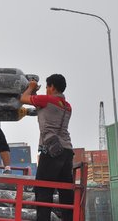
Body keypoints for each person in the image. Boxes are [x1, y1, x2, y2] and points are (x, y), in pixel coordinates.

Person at [20, 74, 74, 221]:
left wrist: (30, 88)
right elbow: (43, 106)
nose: (46, 90)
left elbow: (23, 99)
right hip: (67, 151)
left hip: (51, 151)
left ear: (52, 87)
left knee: (43, 190)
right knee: (66, 193)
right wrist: (36, 93)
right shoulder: (67, 106)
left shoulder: (47, 100)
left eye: (46, 87)